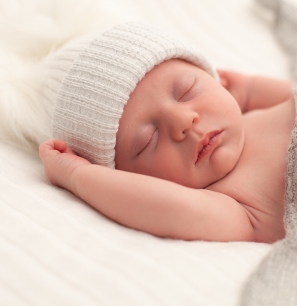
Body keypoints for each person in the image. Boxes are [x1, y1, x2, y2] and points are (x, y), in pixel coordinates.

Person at [38, 21, 295, 243]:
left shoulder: (267, 110)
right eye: (149, 140)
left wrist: (248, 88)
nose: (183, 121)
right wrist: (77, 176)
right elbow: (163, 206)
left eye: (187, 91)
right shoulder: (233, 206)